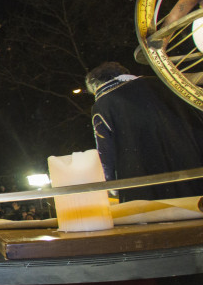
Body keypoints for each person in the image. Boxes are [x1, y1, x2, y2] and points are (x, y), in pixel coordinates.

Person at [85, 62, 203, 202]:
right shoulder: (164, 84)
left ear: (95, 85)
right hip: (191, 170)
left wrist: (112, 185)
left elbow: (105, 152)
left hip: (145, 183)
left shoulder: (103, 105)